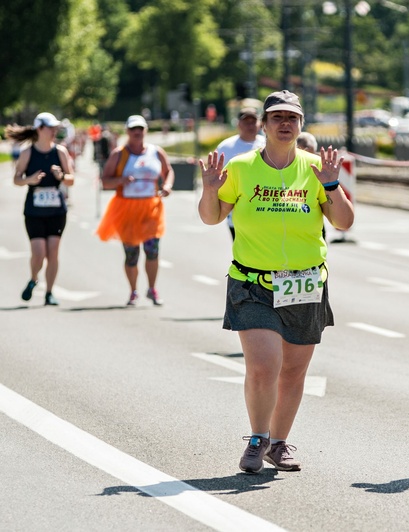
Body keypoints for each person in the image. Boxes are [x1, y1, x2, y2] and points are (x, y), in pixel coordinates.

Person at [197, 90, 354, 474]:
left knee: (294, 372)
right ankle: (257, 438)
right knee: (264, 367)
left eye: (292, 118)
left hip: (304, 283)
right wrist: (210, 189)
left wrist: (331, 186)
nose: (285, 124)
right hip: (253, 284)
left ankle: (279, 444)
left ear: (301, 125)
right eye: (277, 117)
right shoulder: (242, 167)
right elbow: (211, 217)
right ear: (264, 125)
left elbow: (344, 222)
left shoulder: (316, 168)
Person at [96, 115, 175, 306]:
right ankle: (133, 291)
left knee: (152, 250)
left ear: (145, 130)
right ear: (127, 131)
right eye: (133, 129)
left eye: (140, 128)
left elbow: (168, 171)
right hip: (127, 208)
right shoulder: (119, 154)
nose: (137, 132)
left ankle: (152, 289)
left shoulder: (156, 152)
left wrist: (167, 186)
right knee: (131, 254)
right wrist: (120, 181)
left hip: (151, 208)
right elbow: (105, 181)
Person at [6, 112, 75, 306]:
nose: (54, 131)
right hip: (34, 211)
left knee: (53, 252)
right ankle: (34, 278)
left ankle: (49, 293)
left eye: (55, 127)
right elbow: (16, 179)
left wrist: (61, 177)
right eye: (50, 127)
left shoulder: (60, 152)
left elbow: (71, 179)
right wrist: (29, 180)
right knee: (39, 252)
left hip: (56, 211)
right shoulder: (27, 153)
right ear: (39, 129)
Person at [216, 107, 266, 240]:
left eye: (253, 122)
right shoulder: (226, 147)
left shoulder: (268, 144)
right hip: (236, 209)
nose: (250, 125)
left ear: (260, 124)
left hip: (264, 206)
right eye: (246, 122)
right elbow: (217, 175)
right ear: (238, 124)